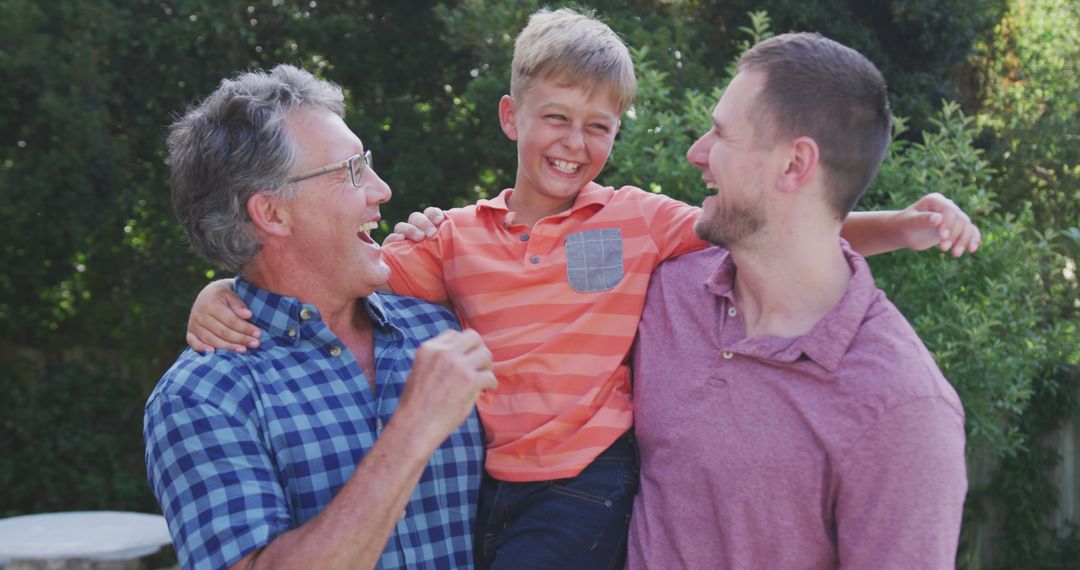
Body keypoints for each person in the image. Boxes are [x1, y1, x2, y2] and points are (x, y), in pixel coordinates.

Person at [183, 9, 979, 569]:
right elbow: (343, 277)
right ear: (510, 117)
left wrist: (900, 224)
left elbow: (794, 224)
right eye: (556, 118)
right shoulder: (458, 240)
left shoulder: (638, 226)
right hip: (493, 483)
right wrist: (229, 289)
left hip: (586, 483)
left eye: (598, 127)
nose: (575, 142)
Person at [627, 33, 969, 568]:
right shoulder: (666, 287)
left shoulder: (902, 410)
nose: (696, 153)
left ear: (794, 165)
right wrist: (443, 235)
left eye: (720, 134)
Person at [143, 64, 497, 570]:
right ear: (272, 213)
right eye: (351, 171)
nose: (382, 190)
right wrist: (414, 428)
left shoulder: (442, 326)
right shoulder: (202, 398)